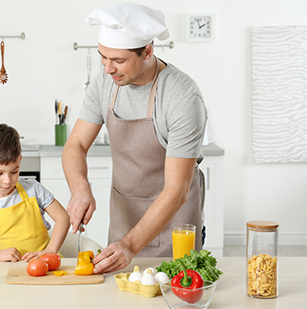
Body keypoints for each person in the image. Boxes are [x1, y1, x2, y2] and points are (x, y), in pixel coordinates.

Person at [62, 3, 207, 273]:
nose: (107, 69)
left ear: (148, 52)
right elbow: (76, 144)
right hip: (123, 222)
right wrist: (80, 187)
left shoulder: (182, 98)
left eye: (118, 61)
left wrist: (130, 245)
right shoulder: (105, 82)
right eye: (103, 57)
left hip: (174, 229)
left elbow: (177, 190)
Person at [0, 123, 70, 262]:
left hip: (46, 266)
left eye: (14, 171)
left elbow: (63, 217)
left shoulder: (33, 189)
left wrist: (50, 250)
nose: (7, 180)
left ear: (20, 161)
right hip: (6, 274)